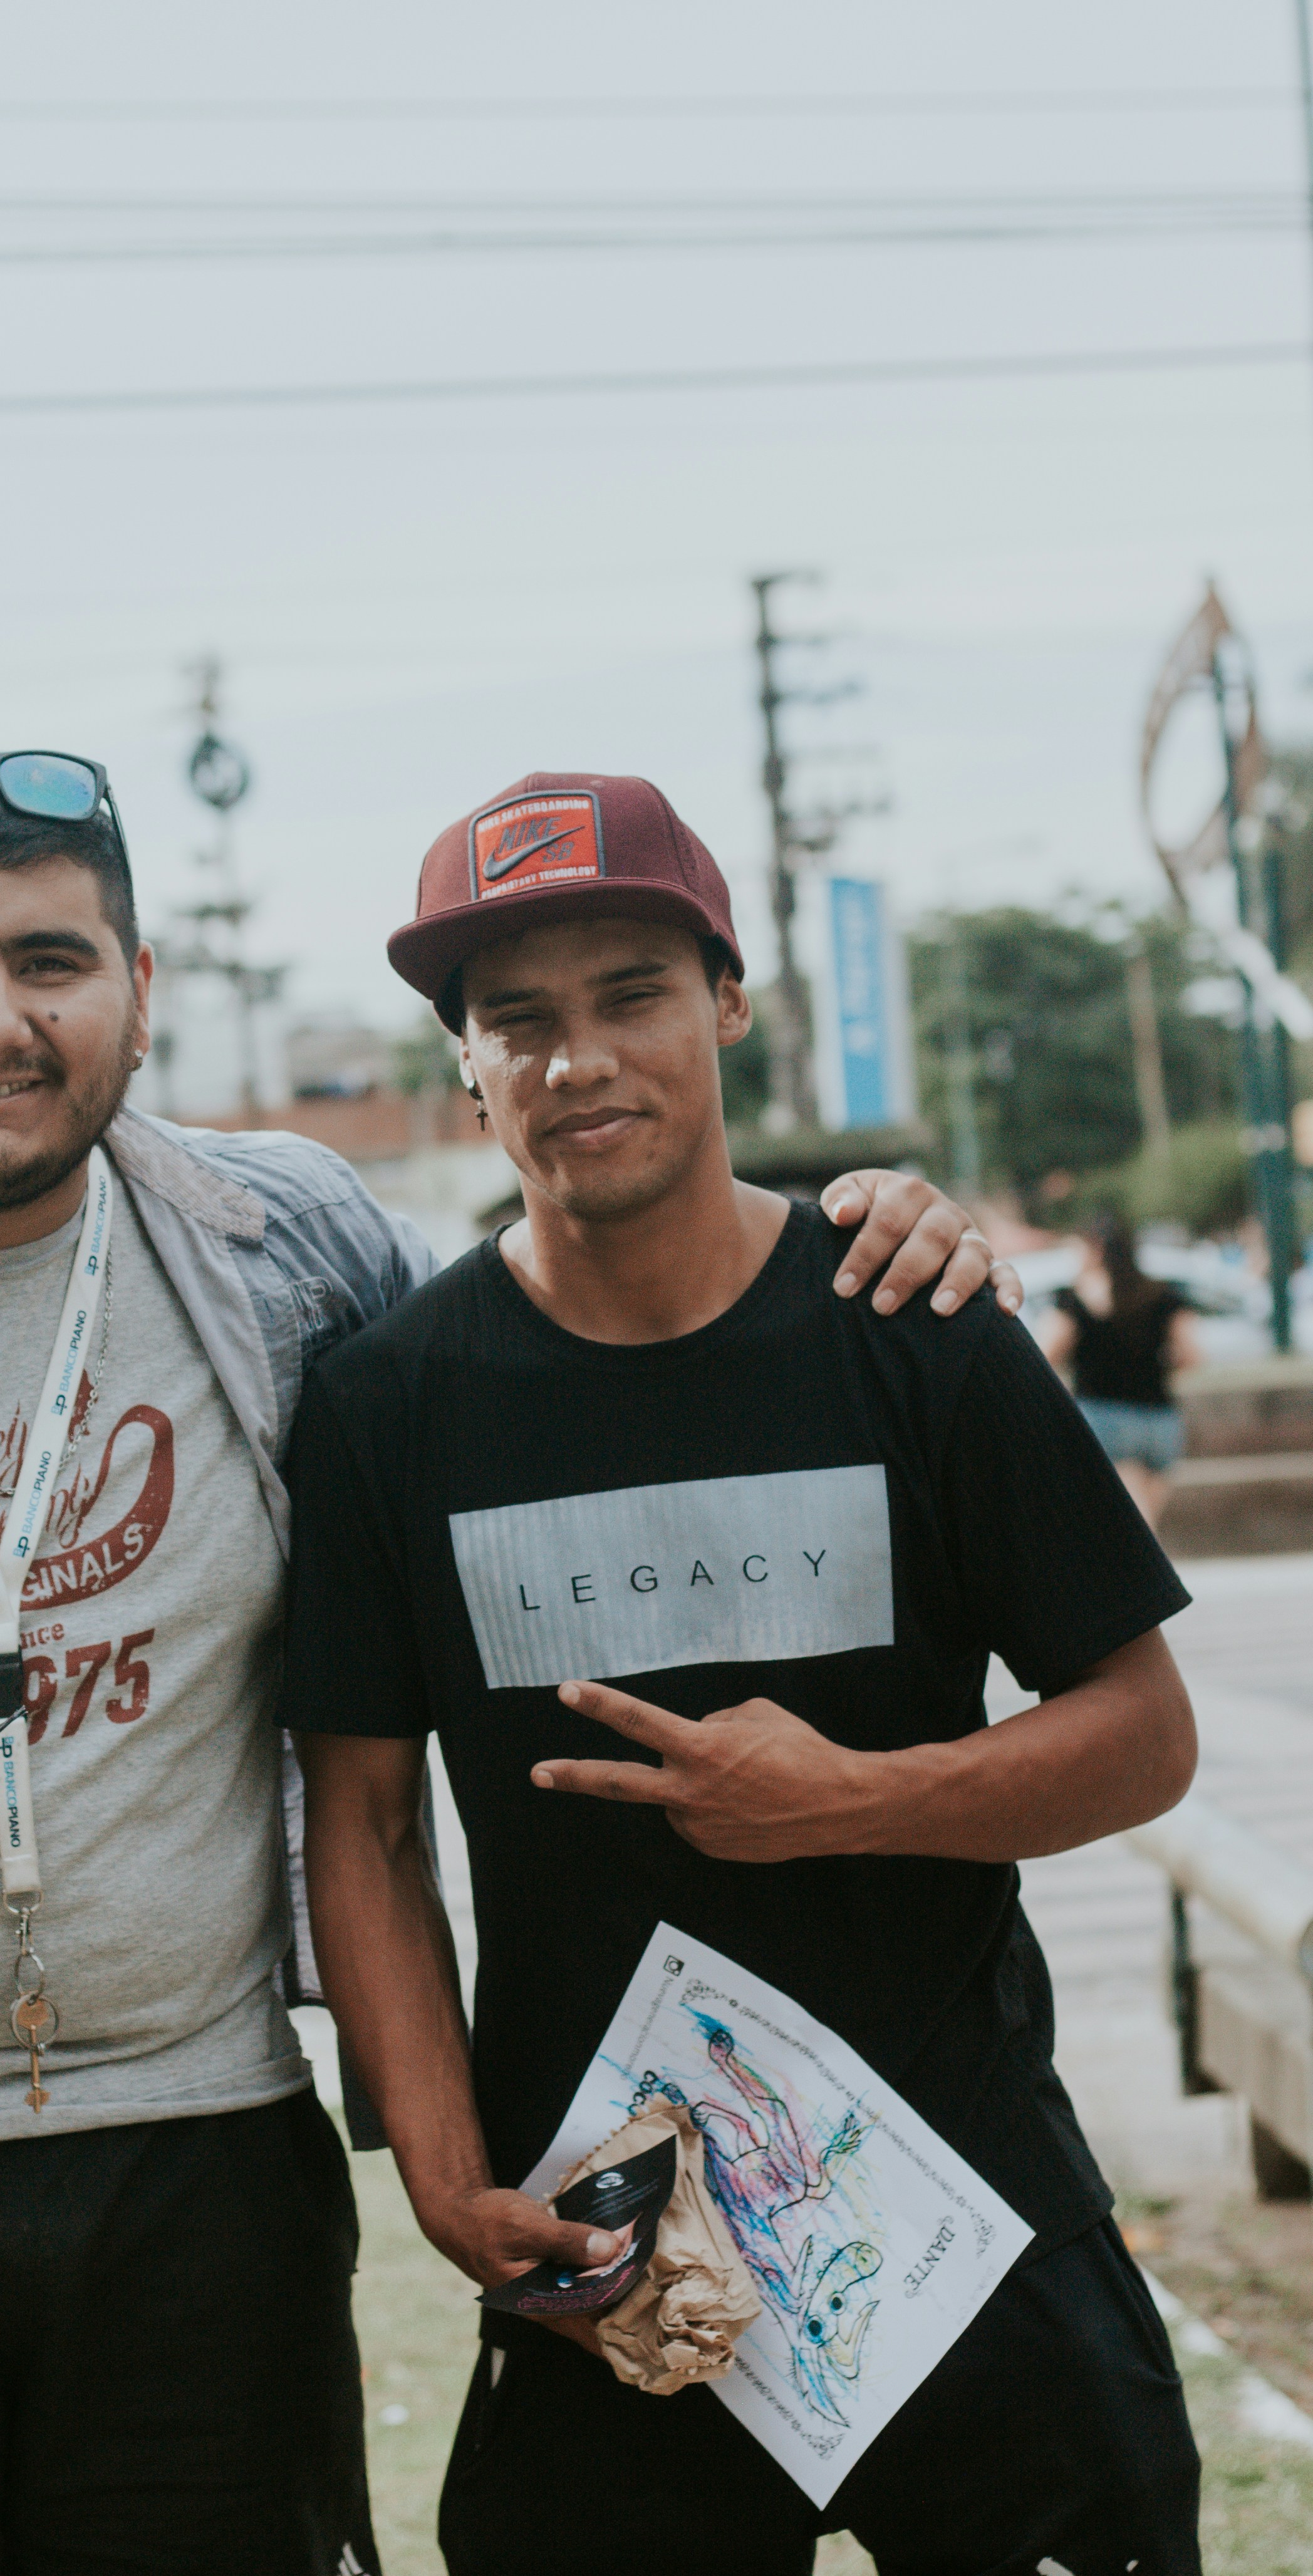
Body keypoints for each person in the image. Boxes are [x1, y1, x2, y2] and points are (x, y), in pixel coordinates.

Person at [0, 747, 1004, 2576]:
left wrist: (858, 1232)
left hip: (203, 2171)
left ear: (141, 996)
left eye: (51, 962)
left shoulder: (296, 1247)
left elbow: (593, 1314)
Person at [283, 772, 1203, 2576]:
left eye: (629, 994)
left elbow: (1143, 1735)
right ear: (464, 1063)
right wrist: (450, 2171)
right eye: (516, 1021)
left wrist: (850, 1803)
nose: (576, 1062)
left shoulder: (911, 1328)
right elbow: (368, 1821)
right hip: (615, 2230)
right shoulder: (388, 1403)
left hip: (966, 2193)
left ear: (728, 1001)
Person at [1041, 1212, 1201, 1532]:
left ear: (1096, 1249)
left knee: (1134, 1528)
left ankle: (1147, 1580)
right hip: (1160, 1420)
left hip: (1104, 1417)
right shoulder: (1163, 1294)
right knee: (1145, 1520)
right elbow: (1193, 1355)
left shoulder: (1076, 1298)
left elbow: (1047, 1354)